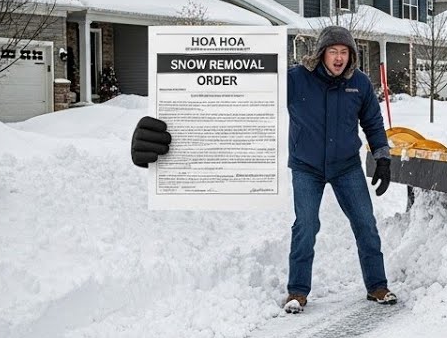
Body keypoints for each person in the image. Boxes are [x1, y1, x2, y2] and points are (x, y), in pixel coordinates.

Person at [131, 25, 398, 314]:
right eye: (332, 51)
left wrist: (382, 158)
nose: (338, 58)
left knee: (365, 224)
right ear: (321, 53)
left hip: (346, 166)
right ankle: (297, 291)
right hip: (307, 166)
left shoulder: (358, 82)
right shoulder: (296, 79)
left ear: (351, 55)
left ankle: (377, 286)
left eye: (344, 52)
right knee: (306, 226)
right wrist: (175, 118)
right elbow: (245, 96)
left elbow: (372, 122)